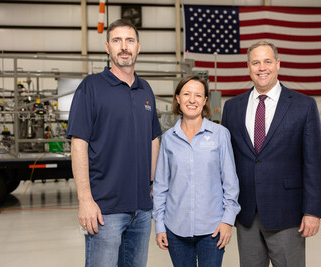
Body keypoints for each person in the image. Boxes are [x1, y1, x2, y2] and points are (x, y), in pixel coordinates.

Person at [66, 19, 162, 267]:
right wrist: (85, 199)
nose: (124, 47)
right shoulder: (91, 87)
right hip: (104, 209)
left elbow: (154, 139)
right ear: (107, 47)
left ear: (138, 47)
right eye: (117, 41)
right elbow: (79, 144)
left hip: (141, 210)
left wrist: (152, 185)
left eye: (130, 40)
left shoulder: (145, 90)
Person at [221, 41, 321, 267]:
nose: (262, 67)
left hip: (287, 214)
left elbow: (313, 163)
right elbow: (226, 163)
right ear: (248, 67)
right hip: (246, 215)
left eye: (267, 61)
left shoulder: (303, 105)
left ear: (278, 64)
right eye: (255, 62)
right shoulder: (232, 108)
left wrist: (313, 211)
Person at [152, 75, 241, 267]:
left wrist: (227, 221)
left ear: (205, 100)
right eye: (186, 94)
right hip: (176, 229)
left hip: (213, 230)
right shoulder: (168, 138)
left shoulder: (220, 135)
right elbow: (161, 186)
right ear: (177, 98)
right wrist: (159, 225)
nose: (192, 100)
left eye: (198, 95)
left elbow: (230, 183)